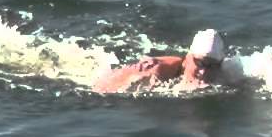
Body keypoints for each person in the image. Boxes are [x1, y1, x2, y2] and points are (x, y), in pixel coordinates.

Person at [92, 28, 233, 94]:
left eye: (212, 66)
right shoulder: (154, 72)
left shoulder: (227, 72)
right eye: (200, 63)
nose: (204, 72)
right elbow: (99, 88)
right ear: (188, 58)